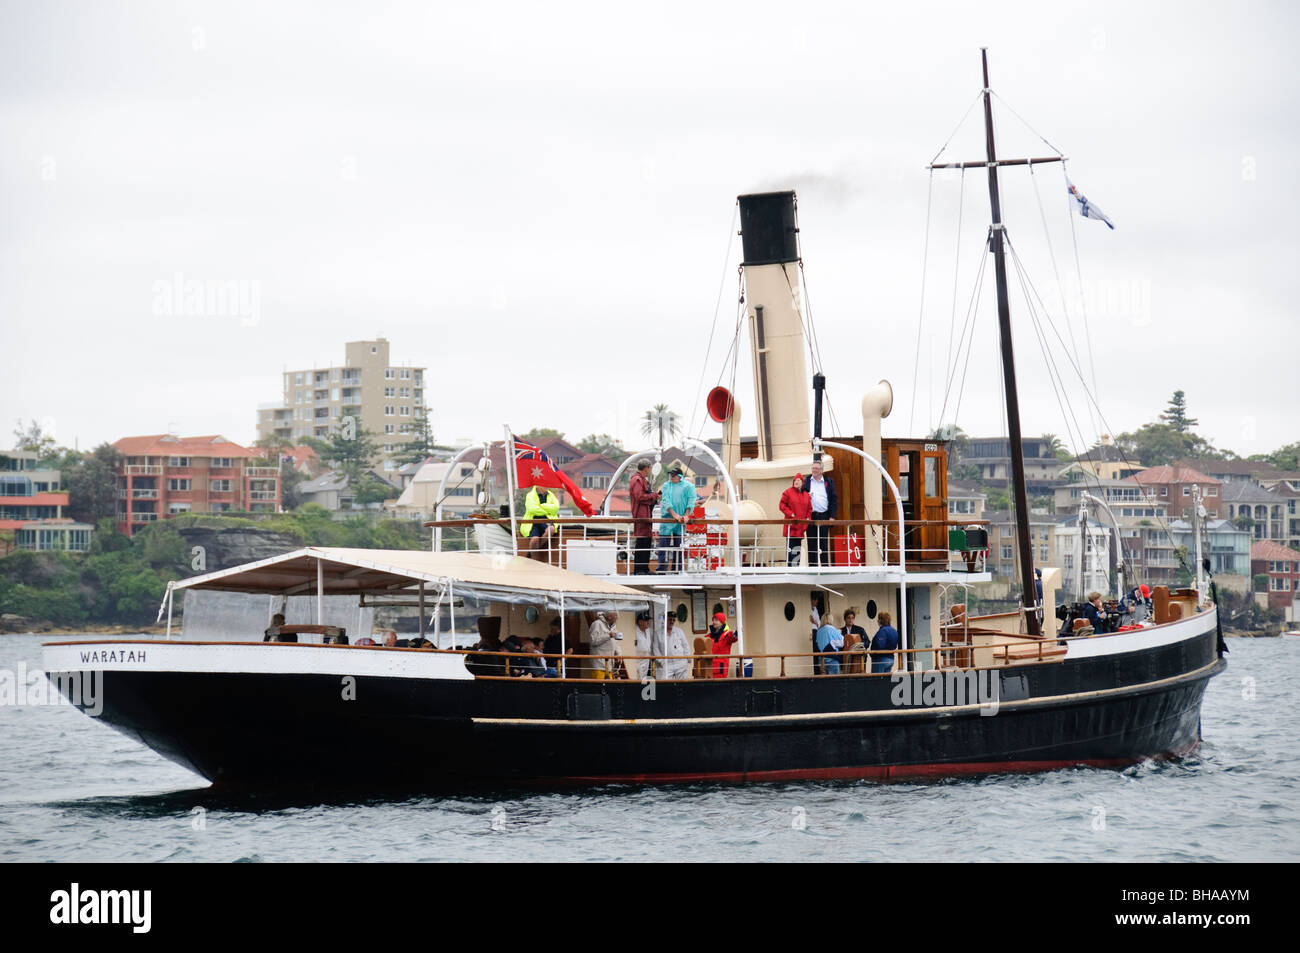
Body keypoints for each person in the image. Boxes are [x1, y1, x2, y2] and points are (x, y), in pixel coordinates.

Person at [657, 466, 697, 573]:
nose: (671, 477)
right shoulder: (666, 485)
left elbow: (692, 500)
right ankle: (661, 568)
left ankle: (677, 569)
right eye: (670, 475)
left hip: (681, 520)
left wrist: (686, 515)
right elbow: (665, 500)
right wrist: (674, 514)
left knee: (679, 546)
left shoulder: (689, 486)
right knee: (663, 545)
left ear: (680, 476)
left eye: (674, 475)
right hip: (667, 519)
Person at [802, 460, 837, 567]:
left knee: (823, 543)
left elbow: (833, 499)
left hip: (824, 516)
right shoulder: (807, 480)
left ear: (821, 470)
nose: (814, 470)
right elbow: (799, 495)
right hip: (810, 516)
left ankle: (825, 568)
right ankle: (812, 567)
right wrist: (806, 496)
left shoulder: (828, 481)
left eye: (816, 469)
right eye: (813, 468)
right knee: (811, 543)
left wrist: (832, 516)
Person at [629, 459, 661, 575]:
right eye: (649, 469)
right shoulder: (637, 480)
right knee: (642, 541)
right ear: (646, 468)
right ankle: (639, 569)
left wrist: (653, 496)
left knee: (646, 541)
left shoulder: (639, 479)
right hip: (641, 515)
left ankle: (643, 568)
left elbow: (641, 496)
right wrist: (654, 495)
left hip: (644, 514)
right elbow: (639, 496)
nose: (649, 471)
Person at [779, 473, 812, 567]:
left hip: (800, 528)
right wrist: (791, 514)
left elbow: (809, 509)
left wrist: (807, 520)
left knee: (797, 549)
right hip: (791, 527)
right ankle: (790, 570)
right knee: (791, 549)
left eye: (798, 480)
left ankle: (796, 569)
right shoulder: (787, 492)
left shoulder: (806, 495)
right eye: (795, 480)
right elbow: (782, 505)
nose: (796, 482)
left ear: (802, 483)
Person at [519, 484, 561, 560]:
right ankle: (535, 562)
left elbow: (555, 508)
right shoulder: (530, 495)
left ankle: (530, 553)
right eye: (543, 484)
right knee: (534, 539)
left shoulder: (551, 495)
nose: (547, 485)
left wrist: (540, 506)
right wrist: (547, 510)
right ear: (538, 485)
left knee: (551, 529)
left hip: (547, 520)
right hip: (532, 522)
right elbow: (532, 509)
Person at [586, 610, 622, 679]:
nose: (617, 618)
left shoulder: (614, 627)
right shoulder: (597, 624)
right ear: (609, 617)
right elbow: (593, 640)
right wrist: (608, 635)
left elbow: (616, 644)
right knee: (599, 688)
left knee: (609, 688)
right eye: (616, 616)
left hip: (610, 666)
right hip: (599, 665)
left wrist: (619, 655)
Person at [707, 611, 737, 679]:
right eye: (713, 620)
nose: (714, 622)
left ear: (722, 622)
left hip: (720, 668)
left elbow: (732, 637)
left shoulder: (726, 634)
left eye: (716, 620)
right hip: (709, 667)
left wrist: (737, 633)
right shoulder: (710, 636)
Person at [664, 611, 692, 680]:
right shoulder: (659, 633)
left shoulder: (679, 631)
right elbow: (656, 649)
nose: (672, 622)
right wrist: (661, 662)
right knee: (667, 684)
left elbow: (686, 646)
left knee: (682, 685)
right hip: (667, 664)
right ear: (665, 619)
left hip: (680, 663)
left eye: (673, 620)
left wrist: (687, 659)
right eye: (670, 619)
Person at [633, 610, 655, 679]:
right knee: (637, 679)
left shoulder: (649, 631)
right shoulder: (635, 631)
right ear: (640, 622)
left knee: (644, 679)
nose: (648, 622)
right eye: (646, 620)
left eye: (648, 620)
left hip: (646, 660)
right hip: (637, 660)